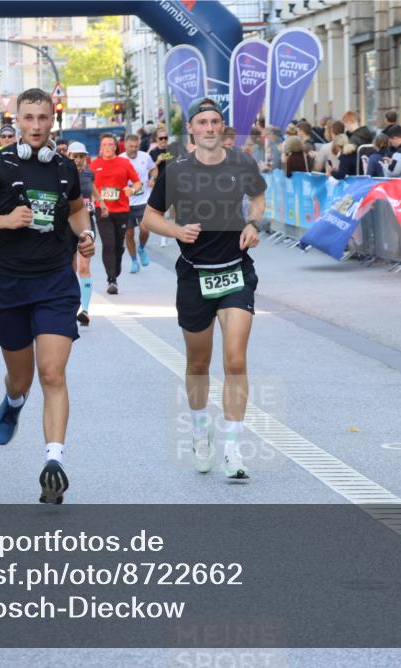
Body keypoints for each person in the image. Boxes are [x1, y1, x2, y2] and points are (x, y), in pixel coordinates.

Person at [0, 88, 96, 504]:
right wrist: (5, 219)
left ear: (53, 120)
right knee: (23, 378)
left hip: (55, 282)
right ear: (16, 120)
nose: (36, 126)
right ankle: (14, 401)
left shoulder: (65, 168)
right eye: (28, 118)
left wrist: (84, 237)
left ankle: (54, 462)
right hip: (10, 284)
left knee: (52, 373)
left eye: (43, 118)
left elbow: (76, 210)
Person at [141, 97, 266, 480]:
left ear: (221, 128)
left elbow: (258, 198)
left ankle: (232, 448)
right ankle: (200, 428)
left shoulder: (241, 163)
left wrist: (253, 224)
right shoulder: (176, 170)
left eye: (216, 122)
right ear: (192, 130)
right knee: (198, 363)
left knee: (235, 360)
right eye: (203, 122)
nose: (210, 128)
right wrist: (177, 231)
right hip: (195, 275)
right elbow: (149, 217)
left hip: (235, 272)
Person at [90, 133, 142, 294]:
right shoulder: (94, 165)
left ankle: (115, 268)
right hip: (103, 209)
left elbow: (138, 183)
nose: (107, 147)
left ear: (115, 146)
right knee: (109, 243)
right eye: (104, 144)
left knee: (118, 245)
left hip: (121, 210)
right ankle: (111, 279)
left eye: (110, 144)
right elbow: (87, 184)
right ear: (101, 147)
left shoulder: (124, 163)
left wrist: (132, 190)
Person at [68, 141, 96, 326]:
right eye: (75, 156)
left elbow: (91, 190)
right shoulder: (61, 174)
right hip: (67, 224)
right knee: (71, 268)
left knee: (85, 267)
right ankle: (69, 306)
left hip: (86, 223)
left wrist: (98, 202)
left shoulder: (89, 173)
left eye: (81, 156)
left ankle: (84, 310)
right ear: (69, 157)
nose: (78, 160)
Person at [123, 134, 157, 273]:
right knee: (129, 234)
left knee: (145, 228)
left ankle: (141, 248)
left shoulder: (145, 157)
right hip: (126, 202)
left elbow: (154, 169)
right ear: (125, 145)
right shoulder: (120, 159)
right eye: (131, 146)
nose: (133, 149)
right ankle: (134, 261)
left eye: (136, 146)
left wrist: (152, 178)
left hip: (144, 199)